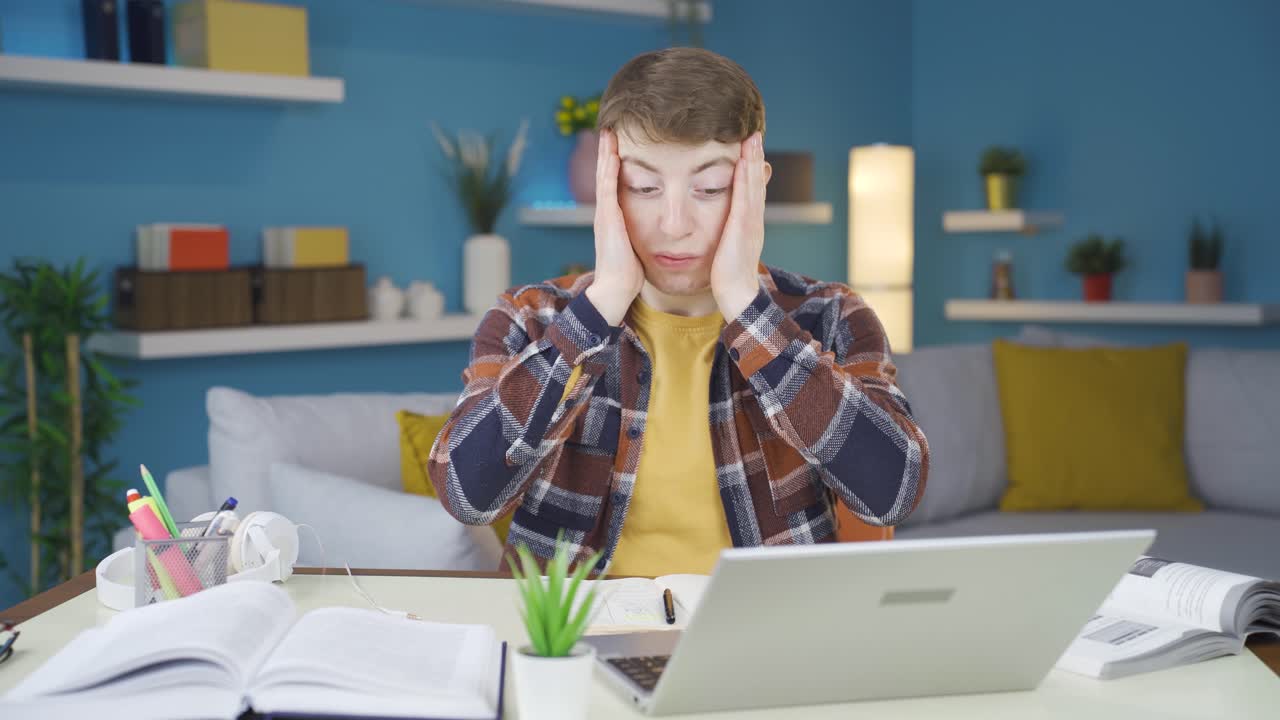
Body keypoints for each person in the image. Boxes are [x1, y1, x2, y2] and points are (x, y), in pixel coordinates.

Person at [428, 47, 929, 576]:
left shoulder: (829, 316)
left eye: (708, 189)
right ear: (607, 188)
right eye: (643, 187)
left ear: (754, 186)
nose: (674, 224)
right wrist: (598, 310)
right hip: (574, 642)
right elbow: (467, 495)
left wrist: (747, 308)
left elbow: (892, 493)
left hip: (764, 640)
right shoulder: (531, 320)